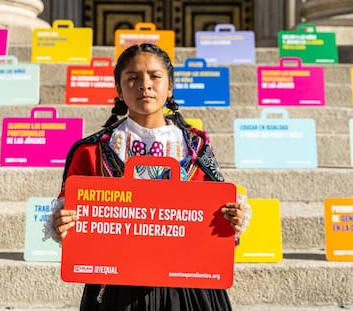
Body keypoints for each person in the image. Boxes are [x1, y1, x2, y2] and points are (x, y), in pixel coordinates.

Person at [46, 43, 250, 311]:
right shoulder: (90, 151)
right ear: (118, 90)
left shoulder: (196, 148)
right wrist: (63, 225)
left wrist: (232, 220)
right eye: (132, 78)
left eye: (155, 76)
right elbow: (74, 223)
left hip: (189, 287)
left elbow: (215, 214)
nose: (145, 85)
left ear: (170, 86)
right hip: (117, 287)